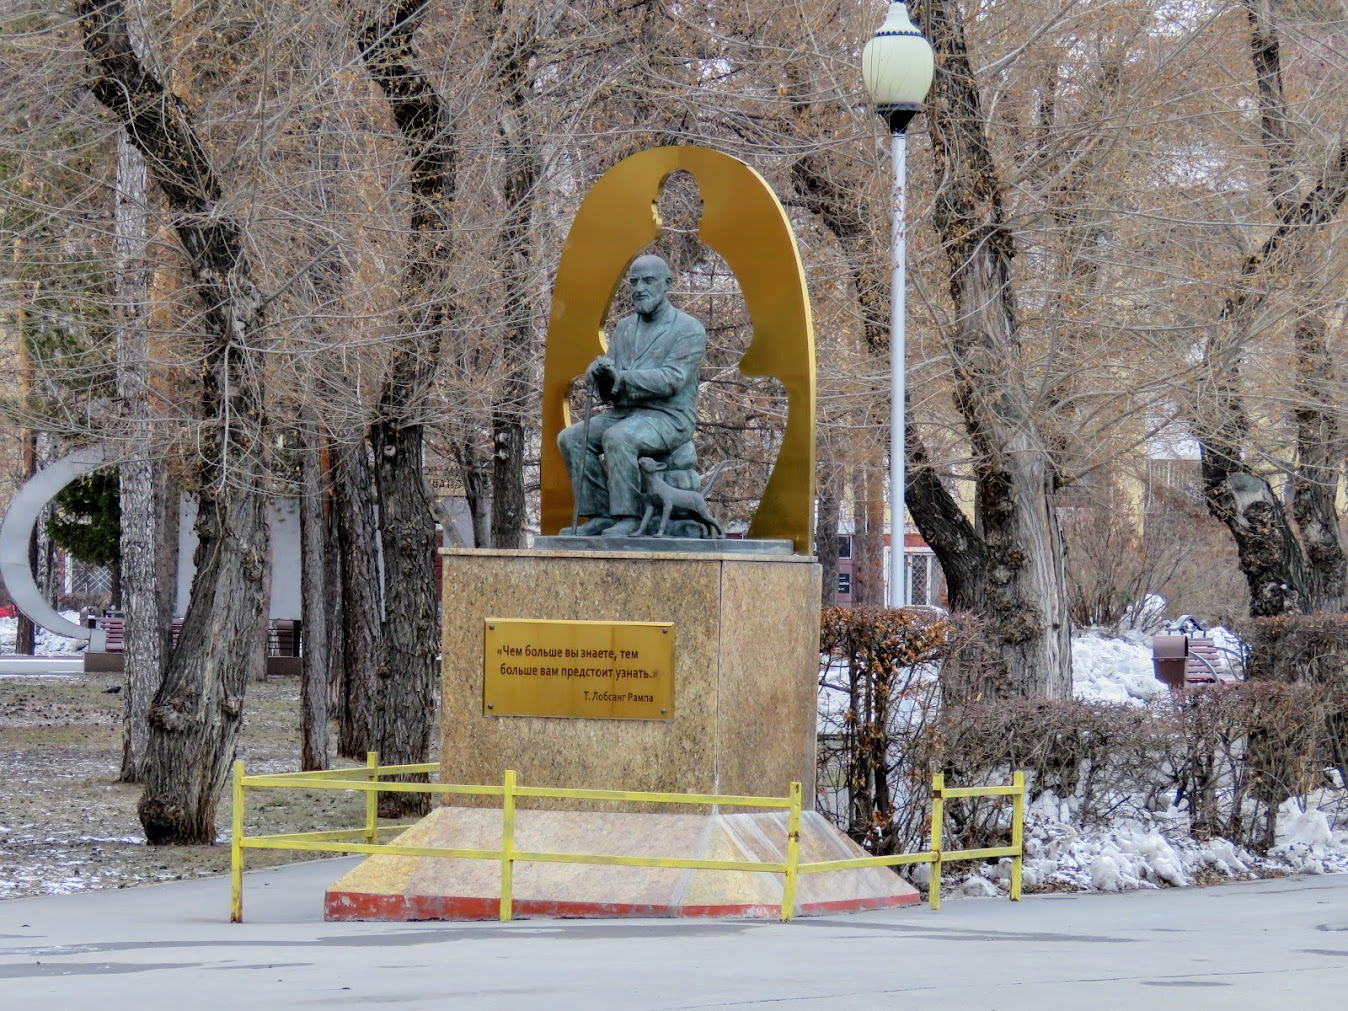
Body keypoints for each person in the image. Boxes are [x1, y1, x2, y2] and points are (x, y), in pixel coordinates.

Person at [559, 253, 706, 536]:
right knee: (571, 438)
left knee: (618, 438)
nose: (639, 289)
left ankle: (627, 517)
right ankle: (600, 514)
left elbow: (671, 380)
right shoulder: (624, 328)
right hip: (626, 413)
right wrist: (601, 374)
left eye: (648, 281)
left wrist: (622, 378)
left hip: (669, 417)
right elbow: (612, 387)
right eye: (634, 282)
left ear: (666, 284)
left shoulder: (689, 329)